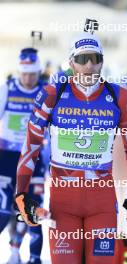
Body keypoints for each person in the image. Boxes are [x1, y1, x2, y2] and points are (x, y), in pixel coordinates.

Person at [15, 32, 127, 264]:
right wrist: (21, 191)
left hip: (102, 202)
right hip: (63, 202)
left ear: (102, 62)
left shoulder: (119, 97)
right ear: (71, 63)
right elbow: (31, 146)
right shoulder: (52, 95)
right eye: (82, 58)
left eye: (95, 58)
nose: (89, 65)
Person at [0, 47, 47, 264]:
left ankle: (34, 258)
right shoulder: (7, 88)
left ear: (39, 72)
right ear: (19, 72)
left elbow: (55, 128)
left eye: (33, 73)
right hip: (8, 158)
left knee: (32, 211)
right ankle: (13, 250)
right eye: (24, 73)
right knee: (2, 209)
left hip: (34, 158)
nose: (28, 78)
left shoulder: (46, 92)